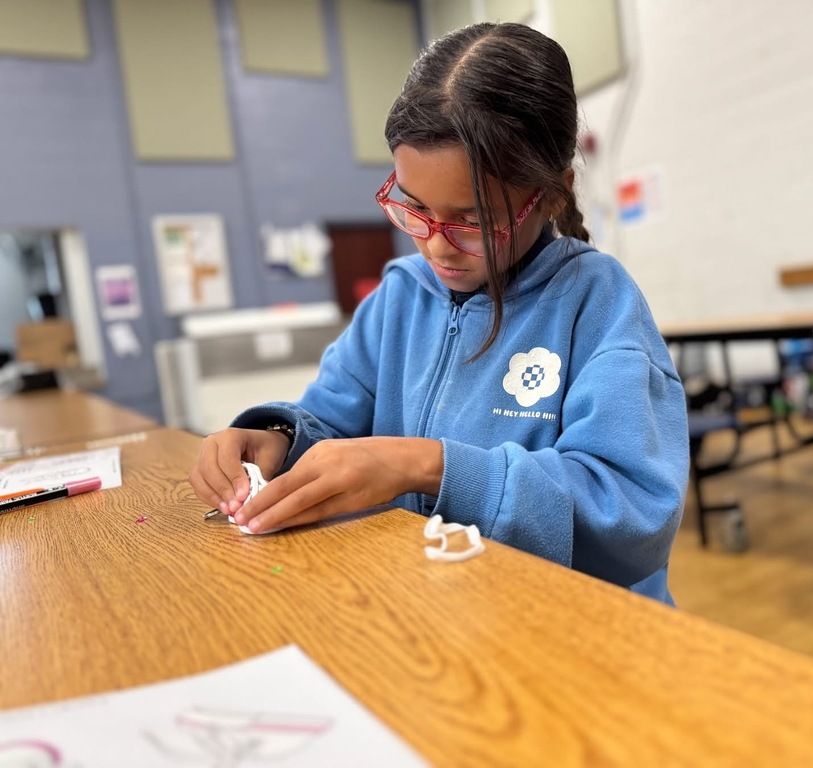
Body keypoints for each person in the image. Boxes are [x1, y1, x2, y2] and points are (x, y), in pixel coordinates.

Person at [188, 22, 689, 604]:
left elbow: (631, 515)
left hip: (572, 628)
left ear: (553, 194)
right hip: (435, 615)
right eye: (415, 208)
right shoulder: (402, 295)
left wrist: (429, 466)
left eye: (472, 219)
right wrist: (277, 441)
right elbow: (332, 426)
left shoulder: (597, 304)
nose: (435, 245)